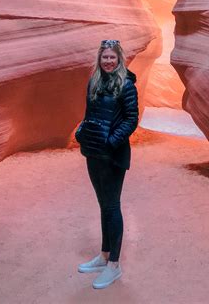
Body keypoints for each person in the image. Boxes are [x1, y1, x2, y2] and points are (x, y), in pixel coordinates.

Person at [75, 39, 139, 289]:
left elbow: (131, 119)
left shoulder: (126, 85)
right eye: (105, 57)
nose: (108, 61)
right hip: (93, 153)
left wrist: (111, 141)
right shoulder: (94, 81)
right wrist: (82, 132)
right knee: (103, 206)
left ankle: (114, 264)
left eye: (112, 57)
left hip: (113, 155)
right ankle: (103, 256)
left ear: (119, 59)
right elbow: (89, 114)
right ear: (99, 59)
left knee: (112, 206)